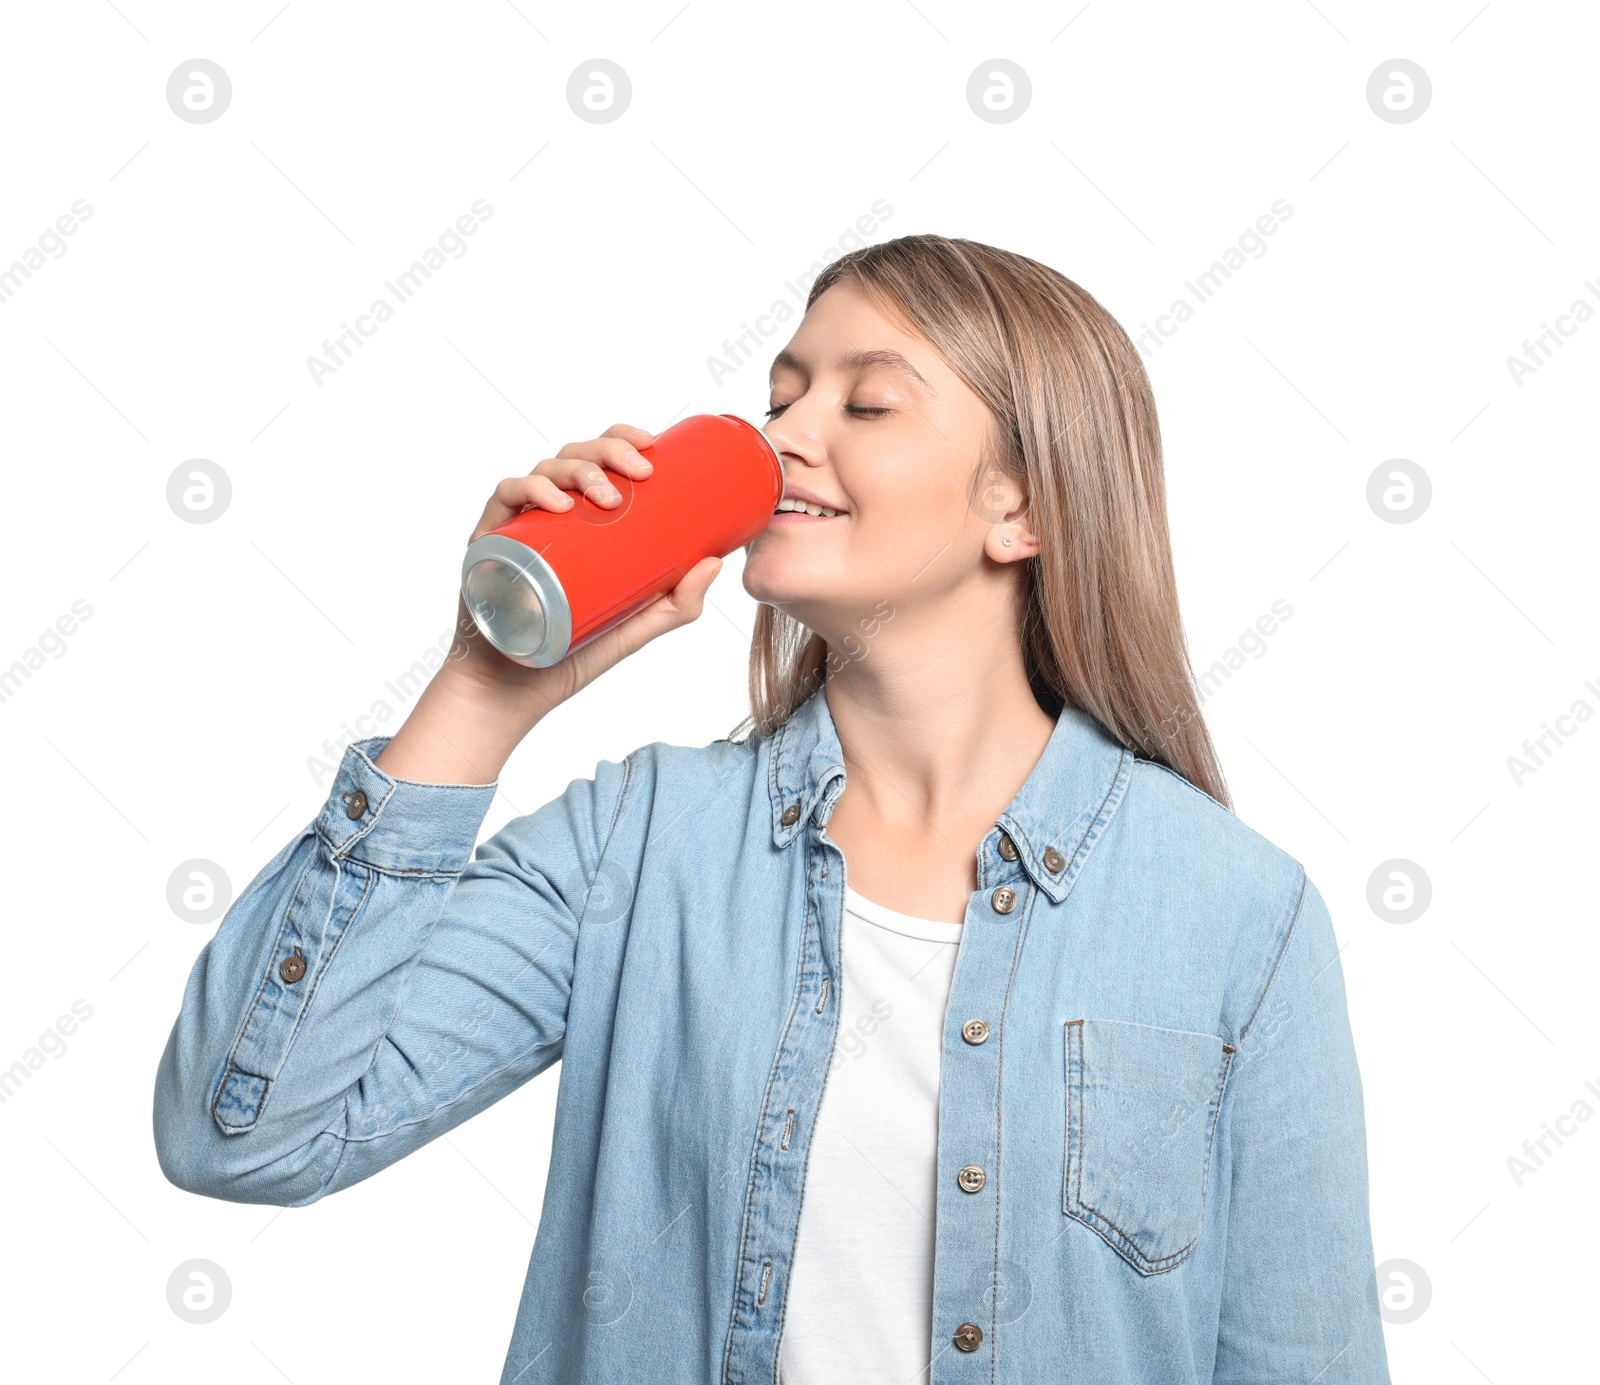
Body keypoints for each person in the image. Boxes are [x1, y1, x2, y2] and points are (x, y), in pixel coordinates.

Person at [153, 234, 1390, 1383]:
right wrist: (482, 690)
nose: (784, 434)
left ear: (1021, 503)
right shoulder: (638, 845)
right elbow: (246, 1136)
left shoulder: (1238, 911)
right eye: (781, 393)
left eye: (864, 402)